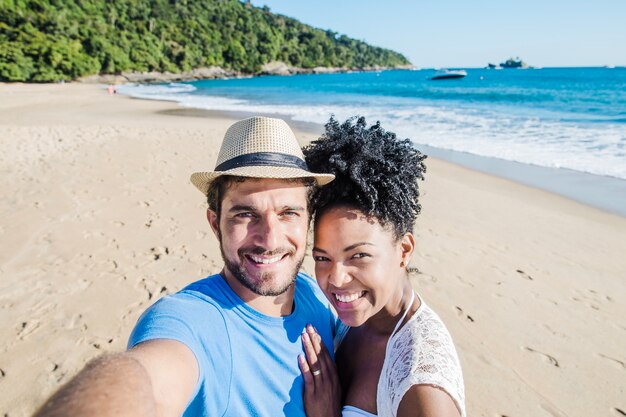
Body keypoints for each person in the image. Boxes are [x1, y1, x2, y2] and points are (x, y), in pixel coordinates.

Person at [34, 116, 337, 417]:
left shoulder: (317, 295)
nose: (269, 239)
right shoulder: (190, 321)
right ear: (216, 224)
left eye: (288, 213)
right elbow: (145, 377)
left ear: (308, 219)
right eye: (245, 214)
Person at [298, 117, 465, 417]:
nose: (336, 278)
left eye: (358, 256)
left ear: (404, 250)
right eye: (322, 257)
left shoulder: (422, 386)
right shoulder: (357, 321)